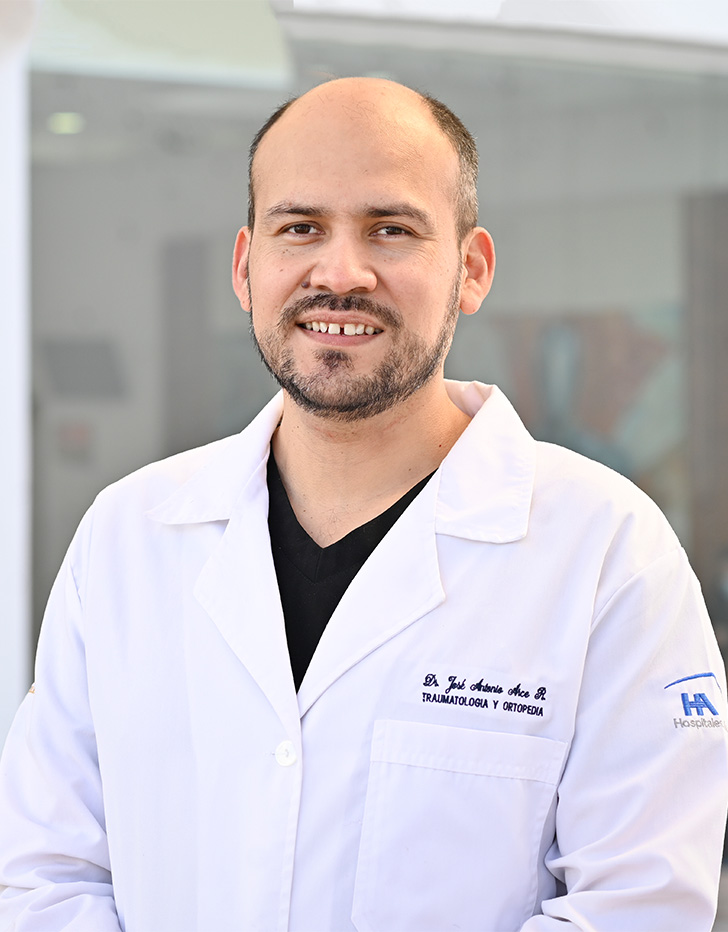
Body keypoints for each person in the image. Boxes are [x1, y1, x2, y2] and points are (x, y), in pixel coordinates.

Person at [0, 77, 726, 932]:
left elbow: (637, 908)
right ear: (246, 267)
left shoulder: (608, 552)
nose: (340, 273)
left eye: (392, 229)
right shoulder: (125, 535)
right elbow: (46, 874)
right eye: (299, 228)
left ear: (473, 270)